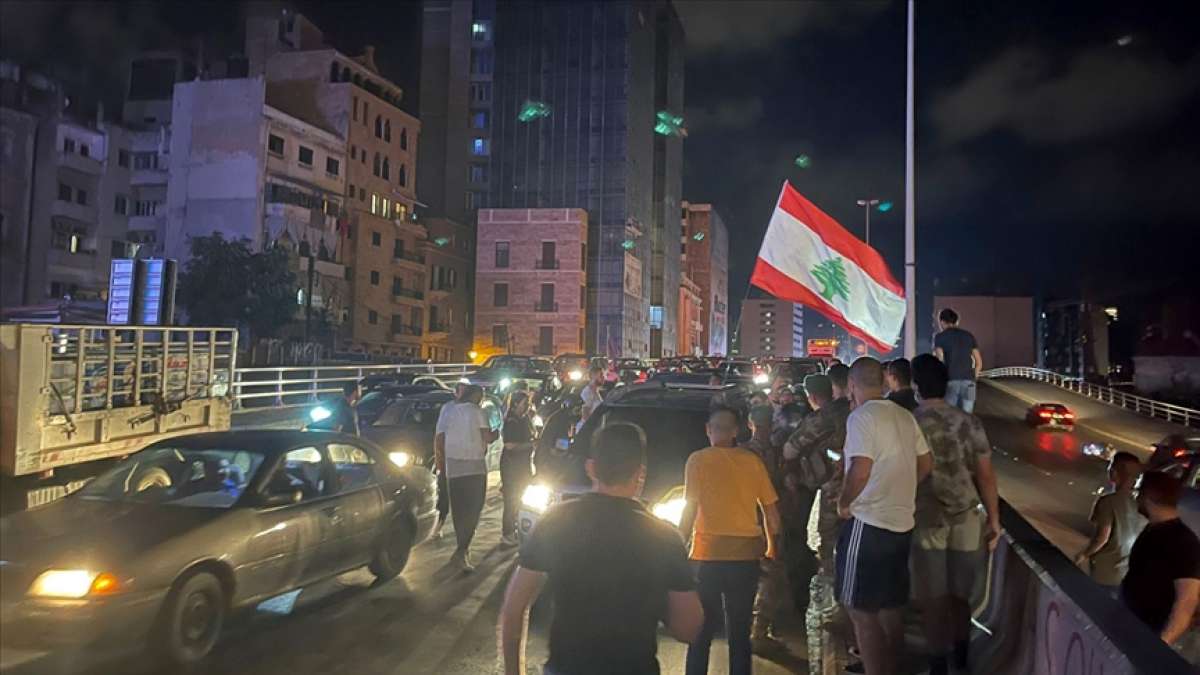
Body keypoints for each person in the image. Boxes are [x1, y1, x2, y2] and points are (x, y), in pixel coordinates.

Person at [499, 423, 704, 675]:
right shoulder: (664, 537)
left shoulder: (557, 520)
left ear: (591, 467)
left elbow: (514, 608)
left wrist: (513, 671)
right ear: (640, 473)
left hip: (567, 667)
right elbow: (689, 628)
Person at [836, 357, 933, 675]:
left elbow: (860, 469)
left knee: (860, 609)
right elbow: (926, 463)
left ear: (852, 385)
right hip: (902, 524)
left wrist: (844, 501)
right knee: (891, 607)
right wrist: (900, 487)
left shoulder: (861, 417)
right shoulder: (904, 416)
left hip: (869, 524)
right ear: (882, 382)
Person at [909, 354, 1002, 675]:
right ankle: (961, 659)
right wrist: (994, 520)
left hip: (926, 521)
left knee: (932, 600)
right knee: (960, 598)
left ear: (915, 386)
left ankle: (938, 664)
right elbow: (986, 475)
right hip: (967, 520)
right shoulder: (969, 422)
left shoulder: (910, 423)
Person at [680, 407, 782, 675]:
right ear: (737, 431)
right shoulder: (752, 461)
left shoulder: (697, 460)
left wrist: (679, 543)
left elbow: (690, 508)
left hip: (707, 555)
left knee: (701, 630)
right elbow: (771, 511)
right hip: (745, 557)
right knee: (739, 630)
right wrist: (772, 547)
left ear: (708, 430)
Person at [1121, 471, 1200, 662]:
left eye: (1138, 491)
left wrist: (1158, 647)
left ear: (1150, 497)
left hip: (1150, 638)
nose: (1134, 496)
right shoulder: (1153, 530)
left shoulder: (1184, 543)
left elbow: (1186, 602)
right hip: (1132, 630)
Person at [784, 373, 849, 578]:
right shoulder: (850, 411)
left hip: (834, 487)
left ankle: (835, 583)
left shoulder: (820, 419)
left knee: (829, 537)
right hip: (863, 484)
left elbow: (790, 450)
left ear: (811, 396)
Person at [433, 385, 497, 572]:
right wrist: (496, 434)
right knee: (473, 509)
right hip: (474, 467)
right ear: (477, 397)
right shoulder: (478, 412)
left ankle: (461, 551)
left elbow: (440, 437)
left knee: (459, 511)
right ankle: (462, 551)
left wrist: (441, 464)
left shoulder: (449, 411)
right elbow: (487, 436)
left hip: (453, 466)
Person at [746, 405, 789, 652]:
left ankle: (758, 627)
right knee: (769, 576)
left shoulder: (741, 453)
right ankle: (759, 630)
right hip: (765, 519)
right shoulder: (775, 451)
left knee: (763, 576)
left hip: (751, 519)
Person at [1074, 452, 1145, 591]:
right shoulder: (1138, 504)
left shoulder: (1107, 502)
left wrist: (1084, 554)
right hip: (1123, 572)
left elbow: (1102, 538)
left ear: (1113, 473)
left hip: (1103, 573)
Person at [500, 391, 536, 547]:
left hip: (523, 465)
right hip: (512, 466)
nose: (527, 407)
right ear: (515, 404)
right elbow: (510, 445)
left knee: (521, 497)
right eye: (524, 404)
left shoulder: (525, 419)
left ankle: (516, 528)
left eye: (528, 403)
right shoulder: (511, 422)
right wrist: (531, 445)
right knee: (511, 499)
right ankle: (507, 533)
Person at [933, 308, 983, 413]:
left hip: (951, 381)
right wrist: (974, 377)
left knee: (950, 414)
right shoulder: (969, 336)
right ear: (956, 321)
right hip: (970, 382)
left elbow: (939, 360)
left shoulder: (940, 337)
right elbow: (978, 362)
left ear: (942, 322)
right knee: (968, 413)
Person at [578, 365, 605, 431]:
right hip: (587, 432)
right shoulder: (588, 392)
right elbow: (585, 414)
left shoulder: (596, 392)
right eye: (601, 375)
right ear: (593, 376)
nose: (604, 377)